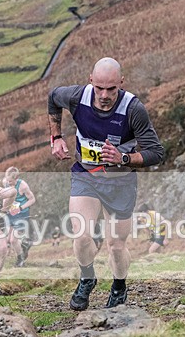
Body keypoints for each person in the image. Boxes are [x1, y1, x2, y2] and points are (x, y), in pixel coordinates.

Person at [49, 57, 165, 310]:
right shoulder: (77, 97)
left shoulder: (133, 109)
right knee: (81, 236)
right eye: (99, 88)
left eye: (111, 89)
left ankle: (119, 286)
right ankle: (87, 277)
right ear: (90, 81)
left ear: (121, 84)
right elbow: (52, 98)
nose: (104, 95)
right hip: (86, 175)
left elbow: (157, 153)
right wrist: (56, 136)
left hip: (120, 182)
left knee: (115, 246)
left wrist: (123, 157)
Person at [2, 166, 37, 267]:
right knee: (8, 239)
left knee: (13, 240)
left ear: (16, 179)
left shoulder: (23, 186)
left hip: (21, 214)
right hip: (10, 213)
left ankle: (20, 260)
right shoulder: (5, 182)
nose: (9, 183)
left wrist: (20, 208)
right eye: (7, 181)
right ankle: (25, 245)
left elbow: (32, 200)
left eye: (11, 181)